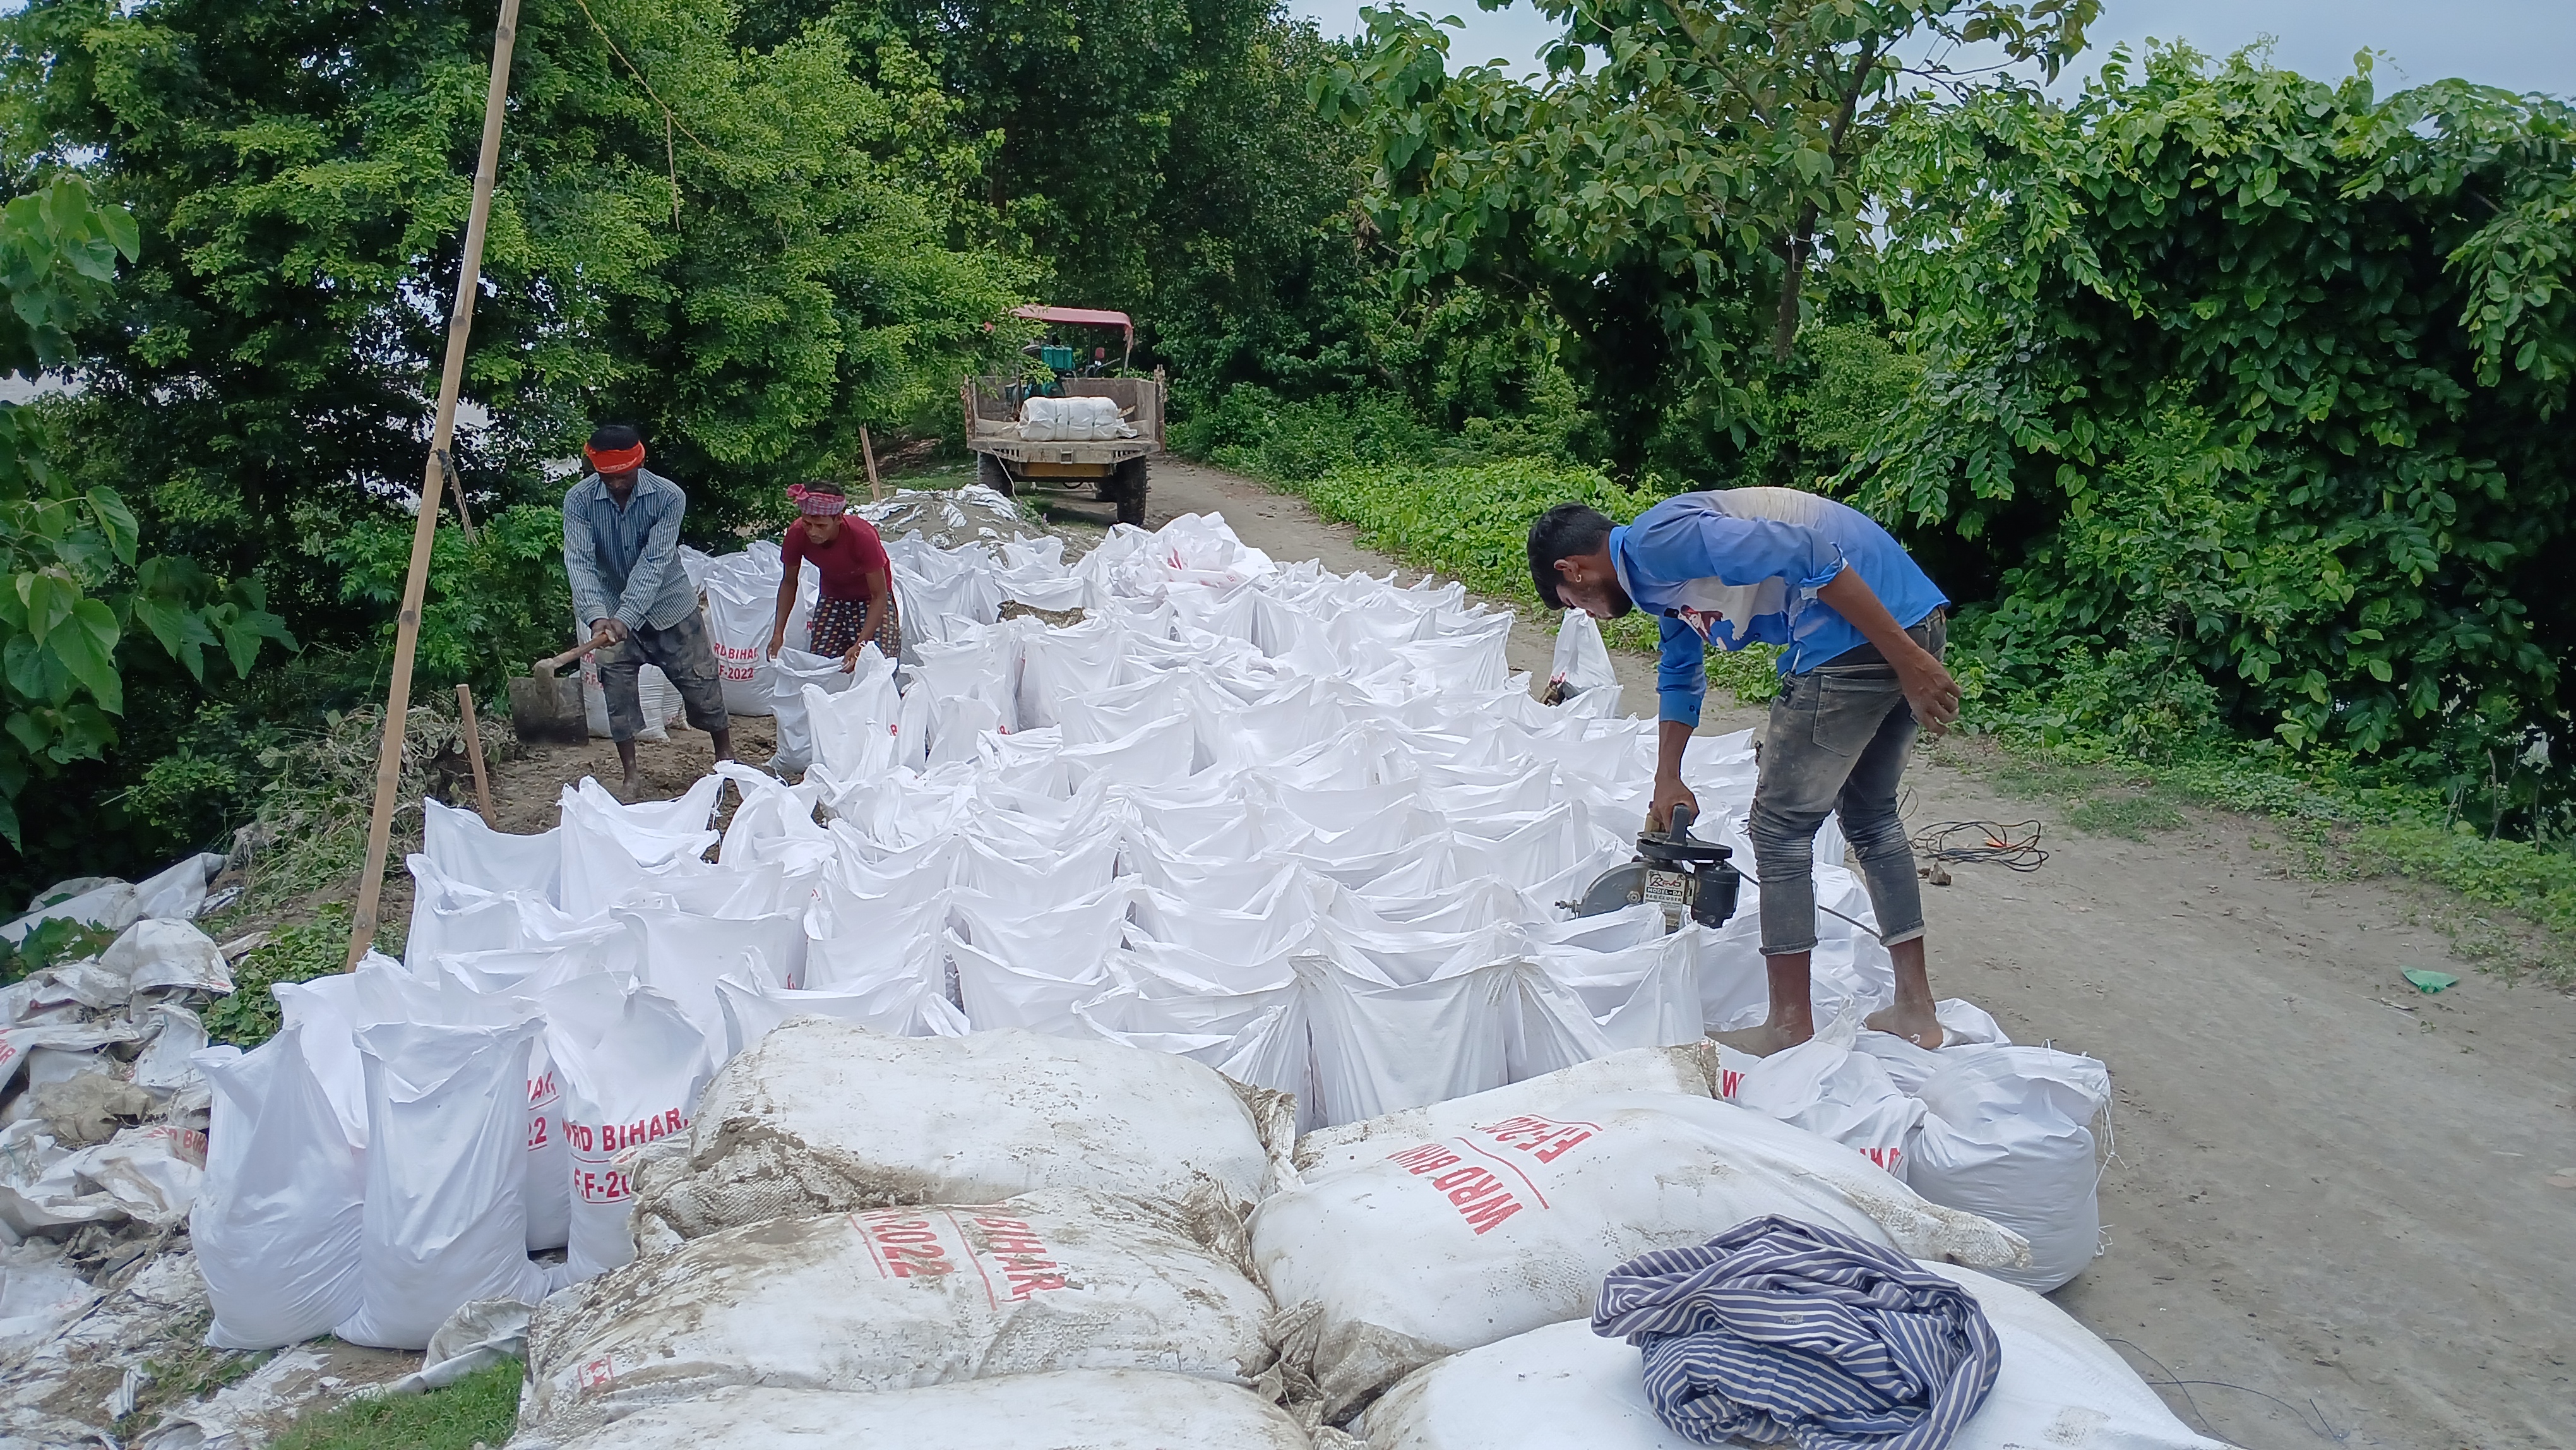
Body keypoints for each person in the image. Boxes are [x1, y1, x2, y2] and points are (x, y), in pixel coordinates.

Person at [1527, 488, 1962, 1054]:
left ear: (1574, 571)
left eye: (1571, 602)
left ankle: (1788, 1027)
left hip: (1864, 638)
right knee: (1870, 814)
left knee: (1780, 828)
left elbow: (1811, 553)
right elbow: (1681, 675)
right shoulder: (1658, 582)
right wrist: (1667, 777)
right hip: (1906, 620)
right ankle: (1915, 1010)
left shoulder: (1660, 542)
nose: (1584, 614)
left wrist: (1908, 661)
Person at [562, 423, 732, 796]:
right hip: (608, 612)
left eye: (623, 475)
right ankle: (631, 775)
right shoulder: (578, 501)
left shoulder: (669, 497)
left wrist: (627, 615)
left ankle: (725, 758)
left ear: (639, 464)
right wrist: (596, 614)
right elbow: (579, 559)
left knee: (702, 685)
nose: (617, 483)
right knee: (617, 694)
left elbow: (655, 561)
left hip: (670, 608)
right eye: (608, 477)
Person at [766, 479, 899, 669]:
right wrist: (779, 632)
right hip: (833, 595)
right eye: (807, 523)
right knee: (822, 663)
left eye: (821, 526)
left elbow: (879, 595)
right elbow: (789, 582)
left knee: (877, 662)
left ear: (838, 519)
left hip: (870, 597)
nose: (813, 532)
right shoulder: (796, 534)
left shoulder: (862, 536)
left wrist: (861, 643)